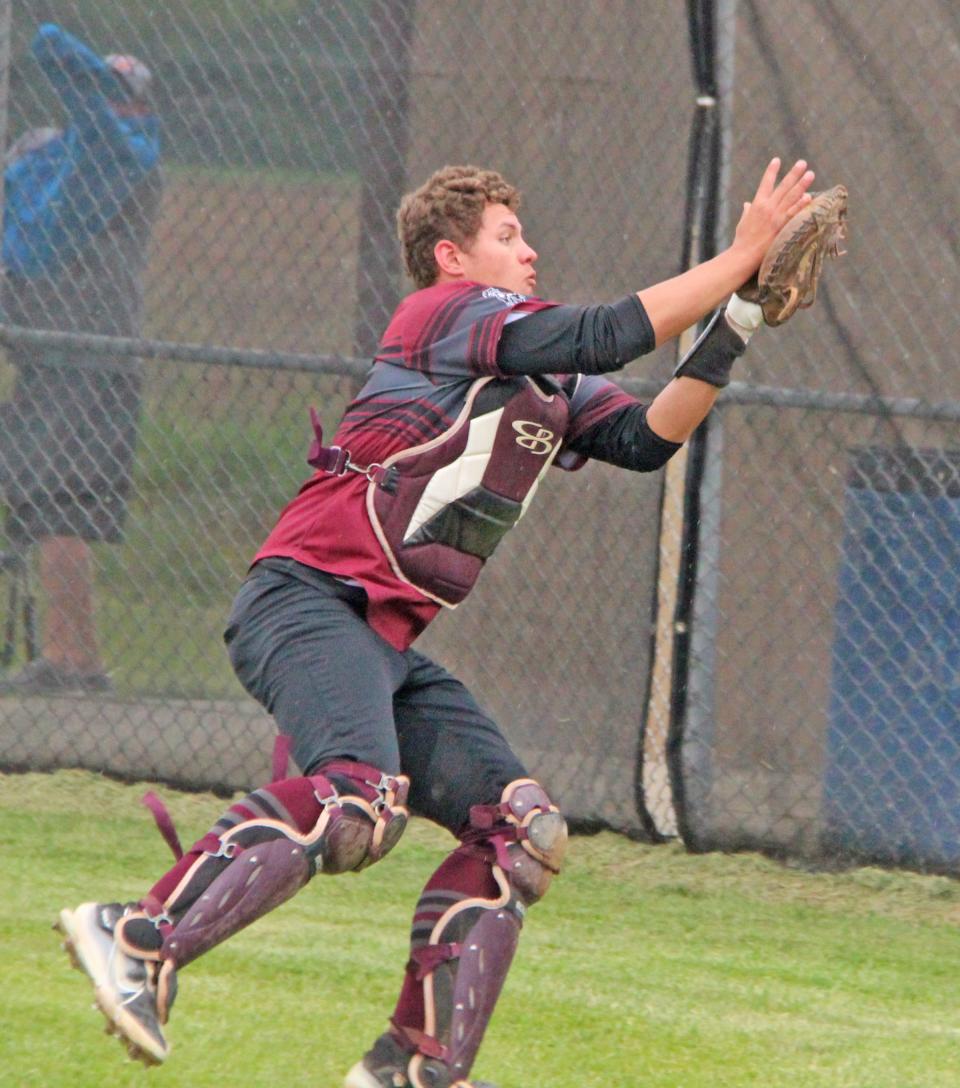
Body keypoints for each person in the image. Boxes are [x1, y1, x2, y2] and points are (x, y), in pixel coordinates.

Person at [56, 158, 814, 1086]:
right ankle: (140, 935)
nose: (529, 249)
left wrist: (737, 322)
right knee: (357, 799)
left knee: (521, 831)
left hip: (384, 642)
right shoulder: (443, 318)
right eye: (506, 235)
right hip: (306, 600)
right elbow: (612, 331)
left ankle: (419, 1070)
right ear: (451, 258)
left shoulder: (544, 379)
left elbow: (648, 437)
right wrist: (739, 255)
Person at [0, 23, 162, 696]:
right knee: (41, 505)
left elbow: (92, 122)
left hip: (92, 363)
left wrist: (67, 60)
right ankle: (71, 659)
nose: (110, 104)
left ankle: (76, 665)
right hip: (43, 356)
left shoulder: (126, 160)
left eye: (120, 94)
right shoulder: (50, 159)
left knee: (62, 506)